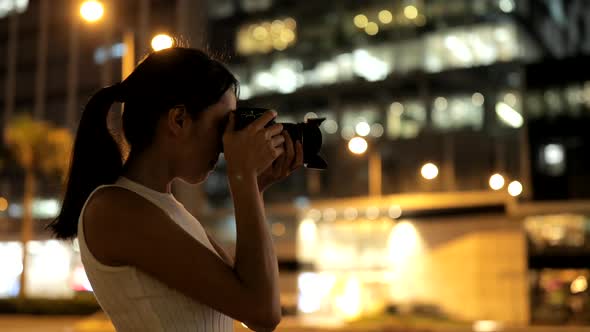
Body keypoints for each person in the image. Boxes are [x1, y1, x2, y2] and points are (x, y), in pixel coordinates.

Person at [48, 47, 303, 332]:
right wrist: (242, 177)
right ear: (179, 119)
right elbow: (262, 312)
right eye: (221, 127)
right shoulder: (116, 209)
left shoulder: (164, 209)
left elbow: (250, 290)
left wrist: (255, 185)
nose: (225, 145)